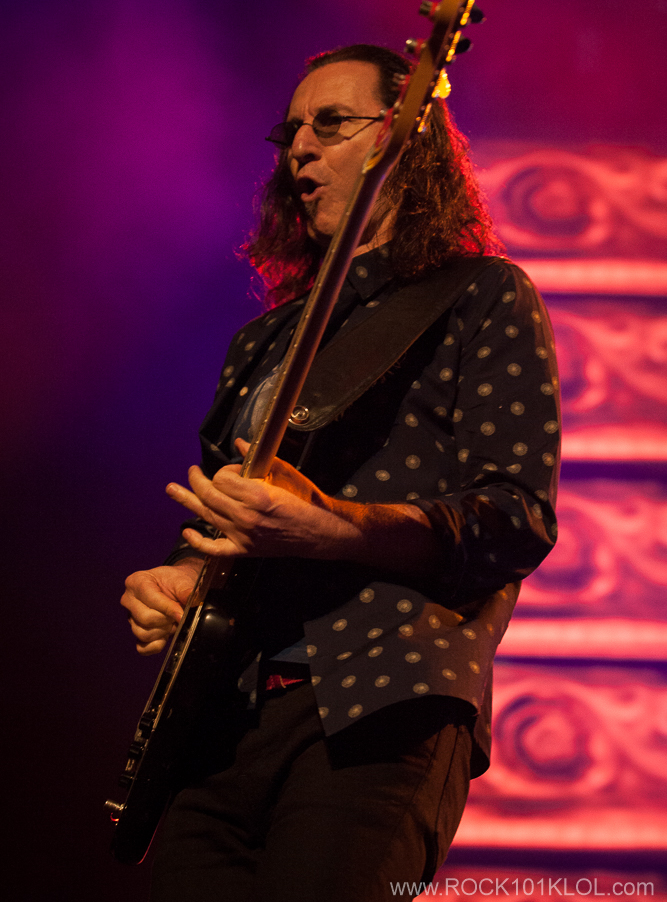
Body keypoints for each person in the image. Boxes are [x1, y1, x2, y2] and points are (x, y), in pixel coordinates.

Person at [121, 45, 560, 902]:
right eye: (290, 133)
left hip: (376, 709)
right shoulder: (263, 342)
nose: (299, 150)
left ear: (404, 140)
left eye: (330, 124)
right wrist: (178, 576)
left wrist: (334, 530)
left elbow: (515, 517)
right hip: (221, 720)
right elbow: (222, 520)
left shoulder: (482, 295)